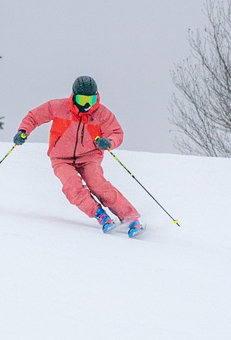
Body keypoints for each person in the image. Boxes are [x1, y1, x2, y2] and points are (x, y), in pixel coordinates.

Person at [13, 76, 143, 238]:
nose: (87, 105)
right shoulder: (58, 107)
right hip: (61, 158)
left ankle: (130, 217)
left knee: (98, 185)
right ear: (74, 97)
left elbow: (116, 133)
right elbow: (34, 116)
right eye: (82, 99)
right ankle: (99, 215)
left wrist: (108, 142)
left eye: (91, 99)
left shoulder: (102, 114)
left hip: (89, 157)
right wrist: (23, 131)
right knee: (72, 187)